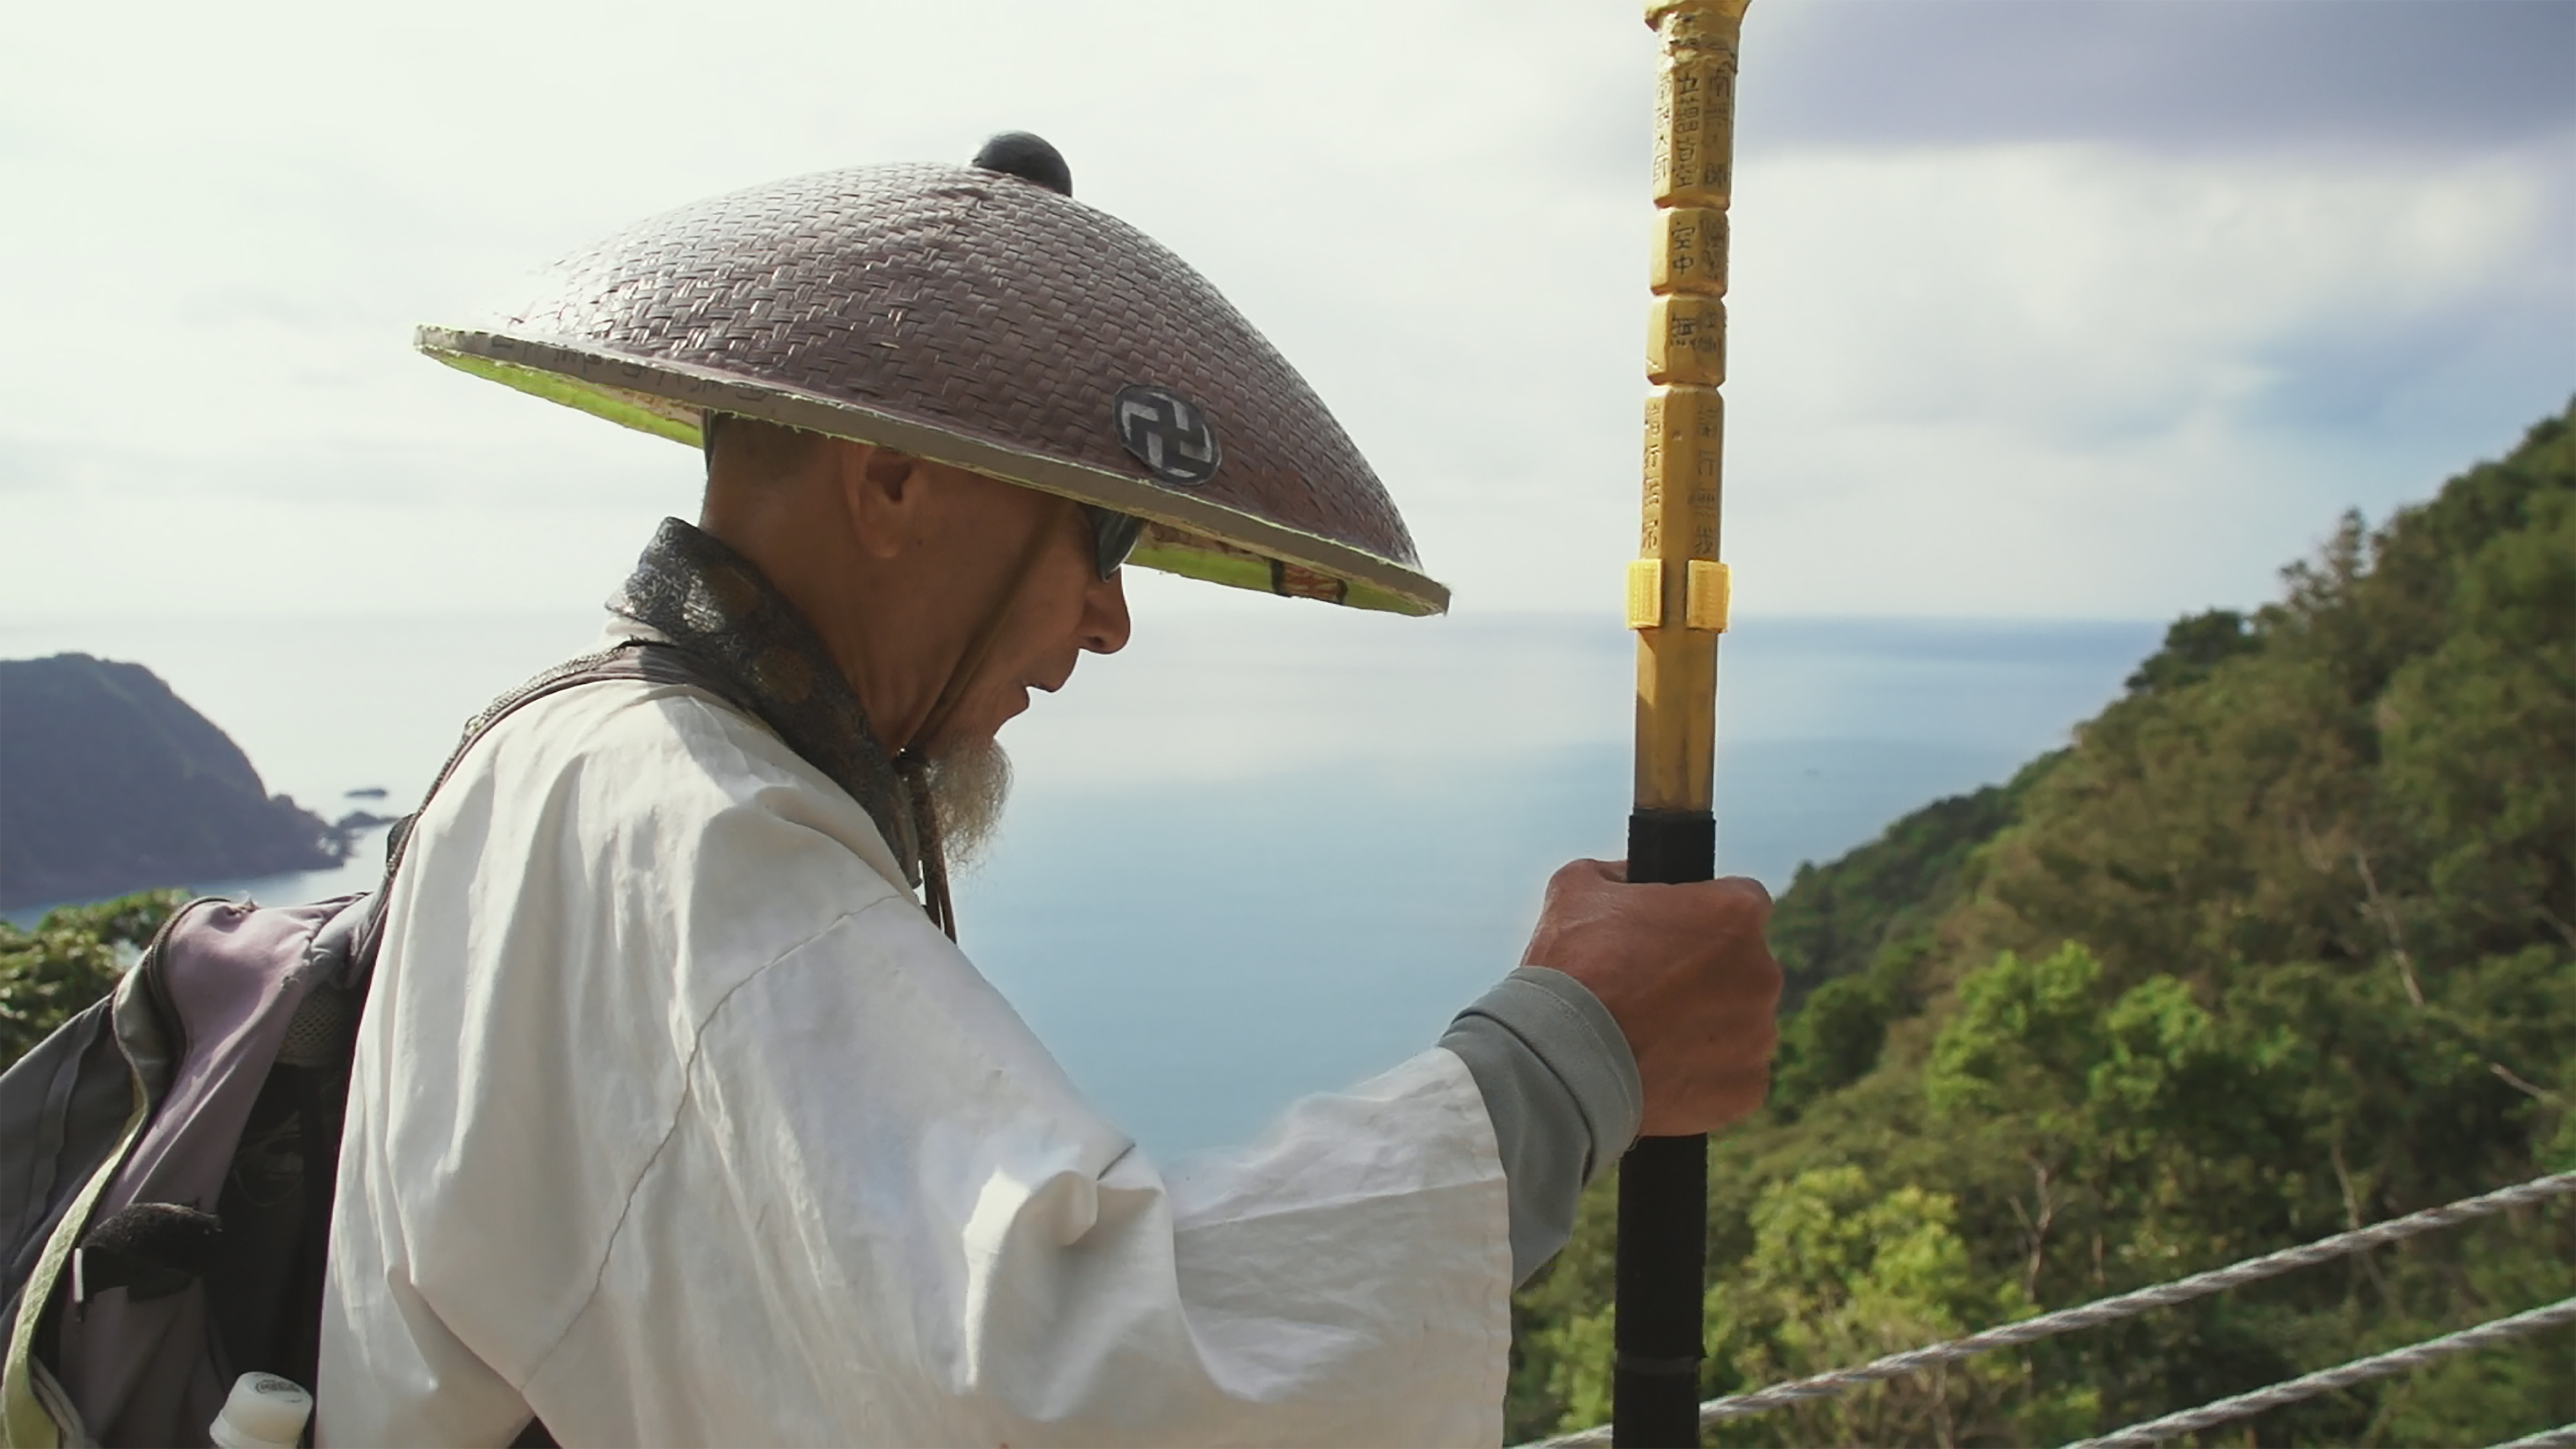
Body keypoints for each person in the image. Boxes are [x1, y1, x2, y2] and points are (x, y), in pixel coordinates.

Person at [319, 134, 1780, 1446]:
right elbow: (1067, 1390)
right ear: (891, 481)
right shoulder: (692, 832)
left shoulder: (585, 763)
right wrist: (1564, 1062)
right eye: (1103, 533)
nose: (1110, 618)